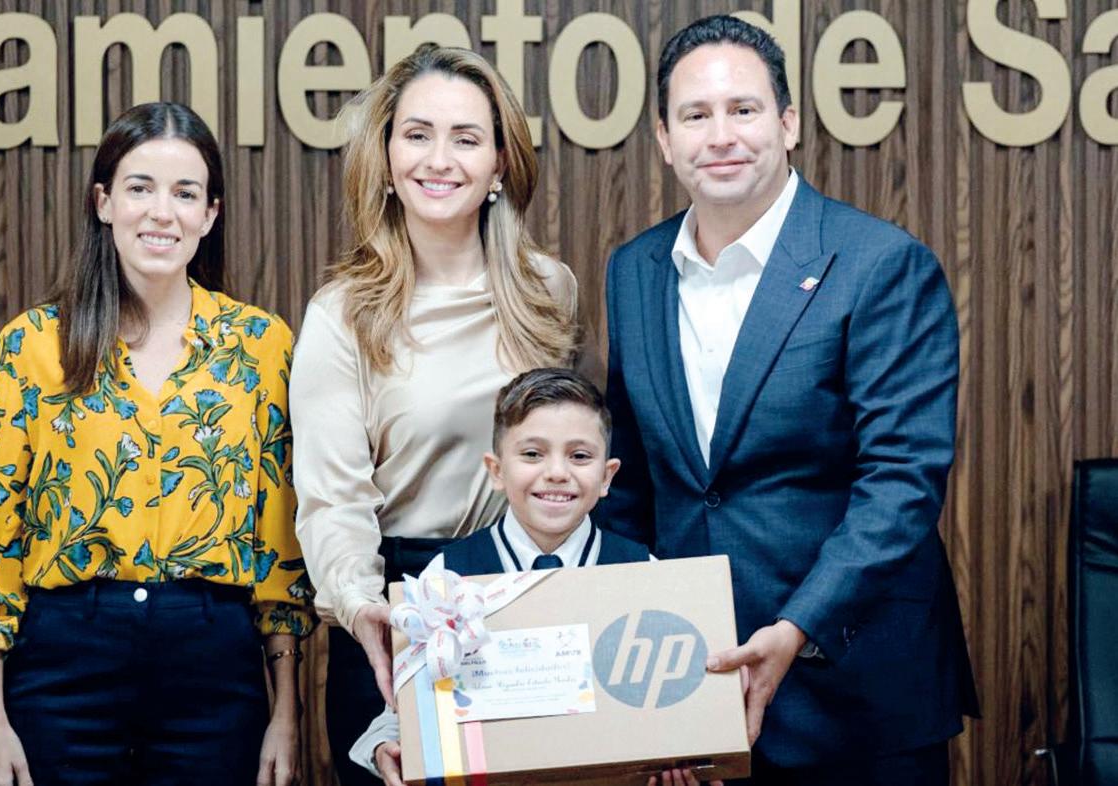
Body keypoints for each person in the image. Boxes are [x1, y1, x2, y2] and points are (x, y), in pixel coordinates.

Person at [595, 15, 979, 786]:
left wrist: (796, 627)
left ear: (788, 123)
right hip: (694, 690)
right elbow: (629, 485)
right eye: (694, 116)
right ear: (664, 139)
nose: (721, 136)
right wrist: (638, 687)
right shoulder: (634, 270)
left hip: (853, 692)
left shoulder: (879, 264)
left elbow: (900, 485)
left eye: (743, 109)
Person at [0, 102, 314, 786]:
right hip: (63, 661)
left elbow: (278, 542)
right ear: (104, 202)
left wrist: (285, 711)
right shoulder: (33, 345)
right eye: (140, 188)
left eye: (185, 193)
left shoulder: (260, 346)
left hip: (213, 664)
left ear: (210, 214)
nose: (161, 213)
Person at [290, 44, 577, 784]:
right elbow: (331, 499)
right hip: (401, 614)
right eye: (417, 135)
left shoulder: (550, 293)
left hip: (528, 606)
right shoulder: (342, 315)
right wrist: (363, 608)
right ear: (386, 158)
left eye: (465, 138)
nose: (439, 159)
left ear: (499, 164)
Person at [345, 367, 651, 785]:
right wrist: (387, 746)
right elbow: (403, 709)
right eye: (532, 454)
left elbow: (670, 709)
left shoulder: (645, 574)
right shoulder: (444, 579)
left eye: (580, 456)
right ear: (496, 470)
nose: (557, 472)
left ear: (607, 476)